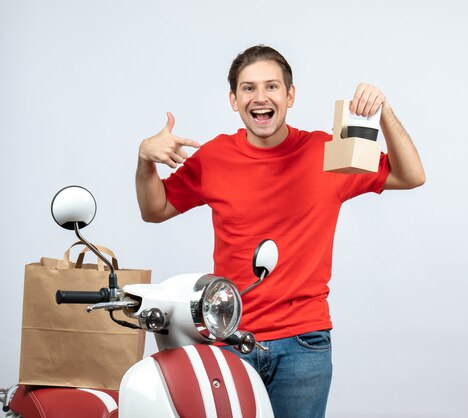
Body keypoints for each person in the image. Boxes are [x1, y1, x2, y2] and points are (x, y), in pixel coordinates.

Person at [135, 44, 425, 418]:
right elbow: (154, 210)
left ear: (290, 95)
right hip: (228, 337)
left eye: (271, 87)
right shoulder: (214, 157)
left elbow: (411, 175)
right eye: (248, 88)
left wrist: (383, 112)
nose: (260, 97)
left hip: (304, 342)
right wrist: (144, 160)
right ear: (233, 99)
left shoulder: (327, 152)